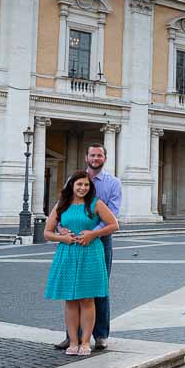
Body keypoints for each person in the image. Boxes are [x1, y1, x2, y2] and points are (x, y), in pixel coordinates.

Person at [54, 143, 122, 351]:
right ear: (86, 157)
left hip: (101, 239)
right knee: (72, 288)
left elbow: (113, 213)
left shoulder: (113, 183)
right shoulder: (73, 180)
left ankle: (100, 335)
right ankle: (72, 336)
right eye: (92, 155)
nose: (95, 158)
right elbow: (62, 208)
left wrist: (92, 233)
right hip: (74, 240)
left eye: (99, 155)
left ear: (105, 158)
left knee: (99, 288)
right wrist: (61, 229)